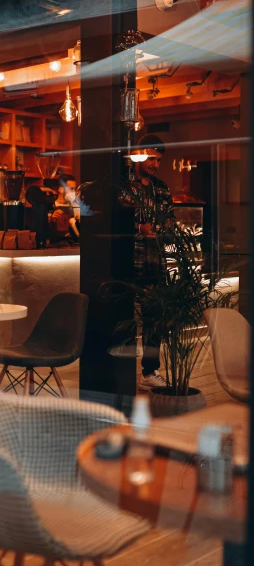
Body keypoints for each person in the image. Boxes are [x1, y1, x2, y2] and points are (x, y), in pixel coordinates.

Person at [122, 134, 175, 390]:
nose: (154, 164)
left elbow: (170, 222)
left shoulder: (161, 187)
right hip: (126, 263)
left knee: (155, 322)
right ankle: (118, 373)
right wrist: (138, 228)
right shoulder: (123, 185)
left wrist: (161, 227)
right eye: (151, 157)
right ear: (139, 154)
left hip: (154, 264)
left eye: (159, 160)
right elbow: (114, 225)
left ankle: (150, 372)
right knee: (124, 321)